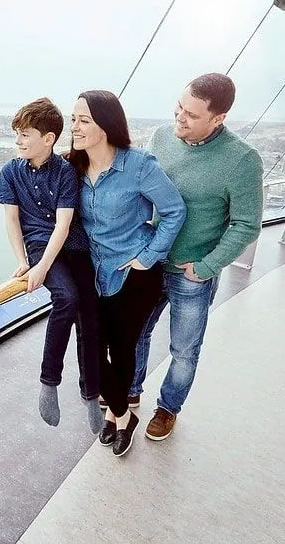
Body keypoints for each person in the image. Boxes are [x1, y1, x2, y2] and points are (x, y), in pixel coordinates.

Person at [129, 73, 264, 441]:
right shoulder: (161, 138)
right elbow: (141, 192)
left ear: (217, 119)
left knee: (184, 350)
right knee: (136, 333)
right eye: (178, 107)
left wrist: (206, 267)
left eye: (191, 114)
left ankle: (167, 408)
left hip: (192, 272)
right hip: (150, 261)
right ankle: (130, 389)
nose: (179, 118)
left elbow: (247, 225)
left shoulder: (242, 160)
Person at [67, 90, 186, 457]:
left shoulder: (139, 165)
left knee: (121, 349)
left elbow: (174, 211)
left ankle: (116, 418)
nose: (75, 127)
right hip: (92, 274)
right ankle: (123, 414)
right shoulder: (72, 167)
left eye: (83, 120)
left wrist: (148, 257)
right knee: (90, 351)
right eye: (73, 119)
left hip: (134, 275)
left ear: (106, 125)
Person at [0, 97, 104, 434]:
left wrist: (41, 269)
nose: (19, 141)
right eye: (18, 135)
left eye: (26, 135)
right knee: (66, 299)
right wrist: (26, 263)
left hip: (71, 245)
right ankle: (49, 381)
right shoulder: (11, 171)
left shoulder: (67, 171)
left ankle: (90, 393)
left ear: (49, 138)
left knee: (90, 314)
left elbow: (64, 224)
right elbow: (12, 220)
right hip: (41, 246)